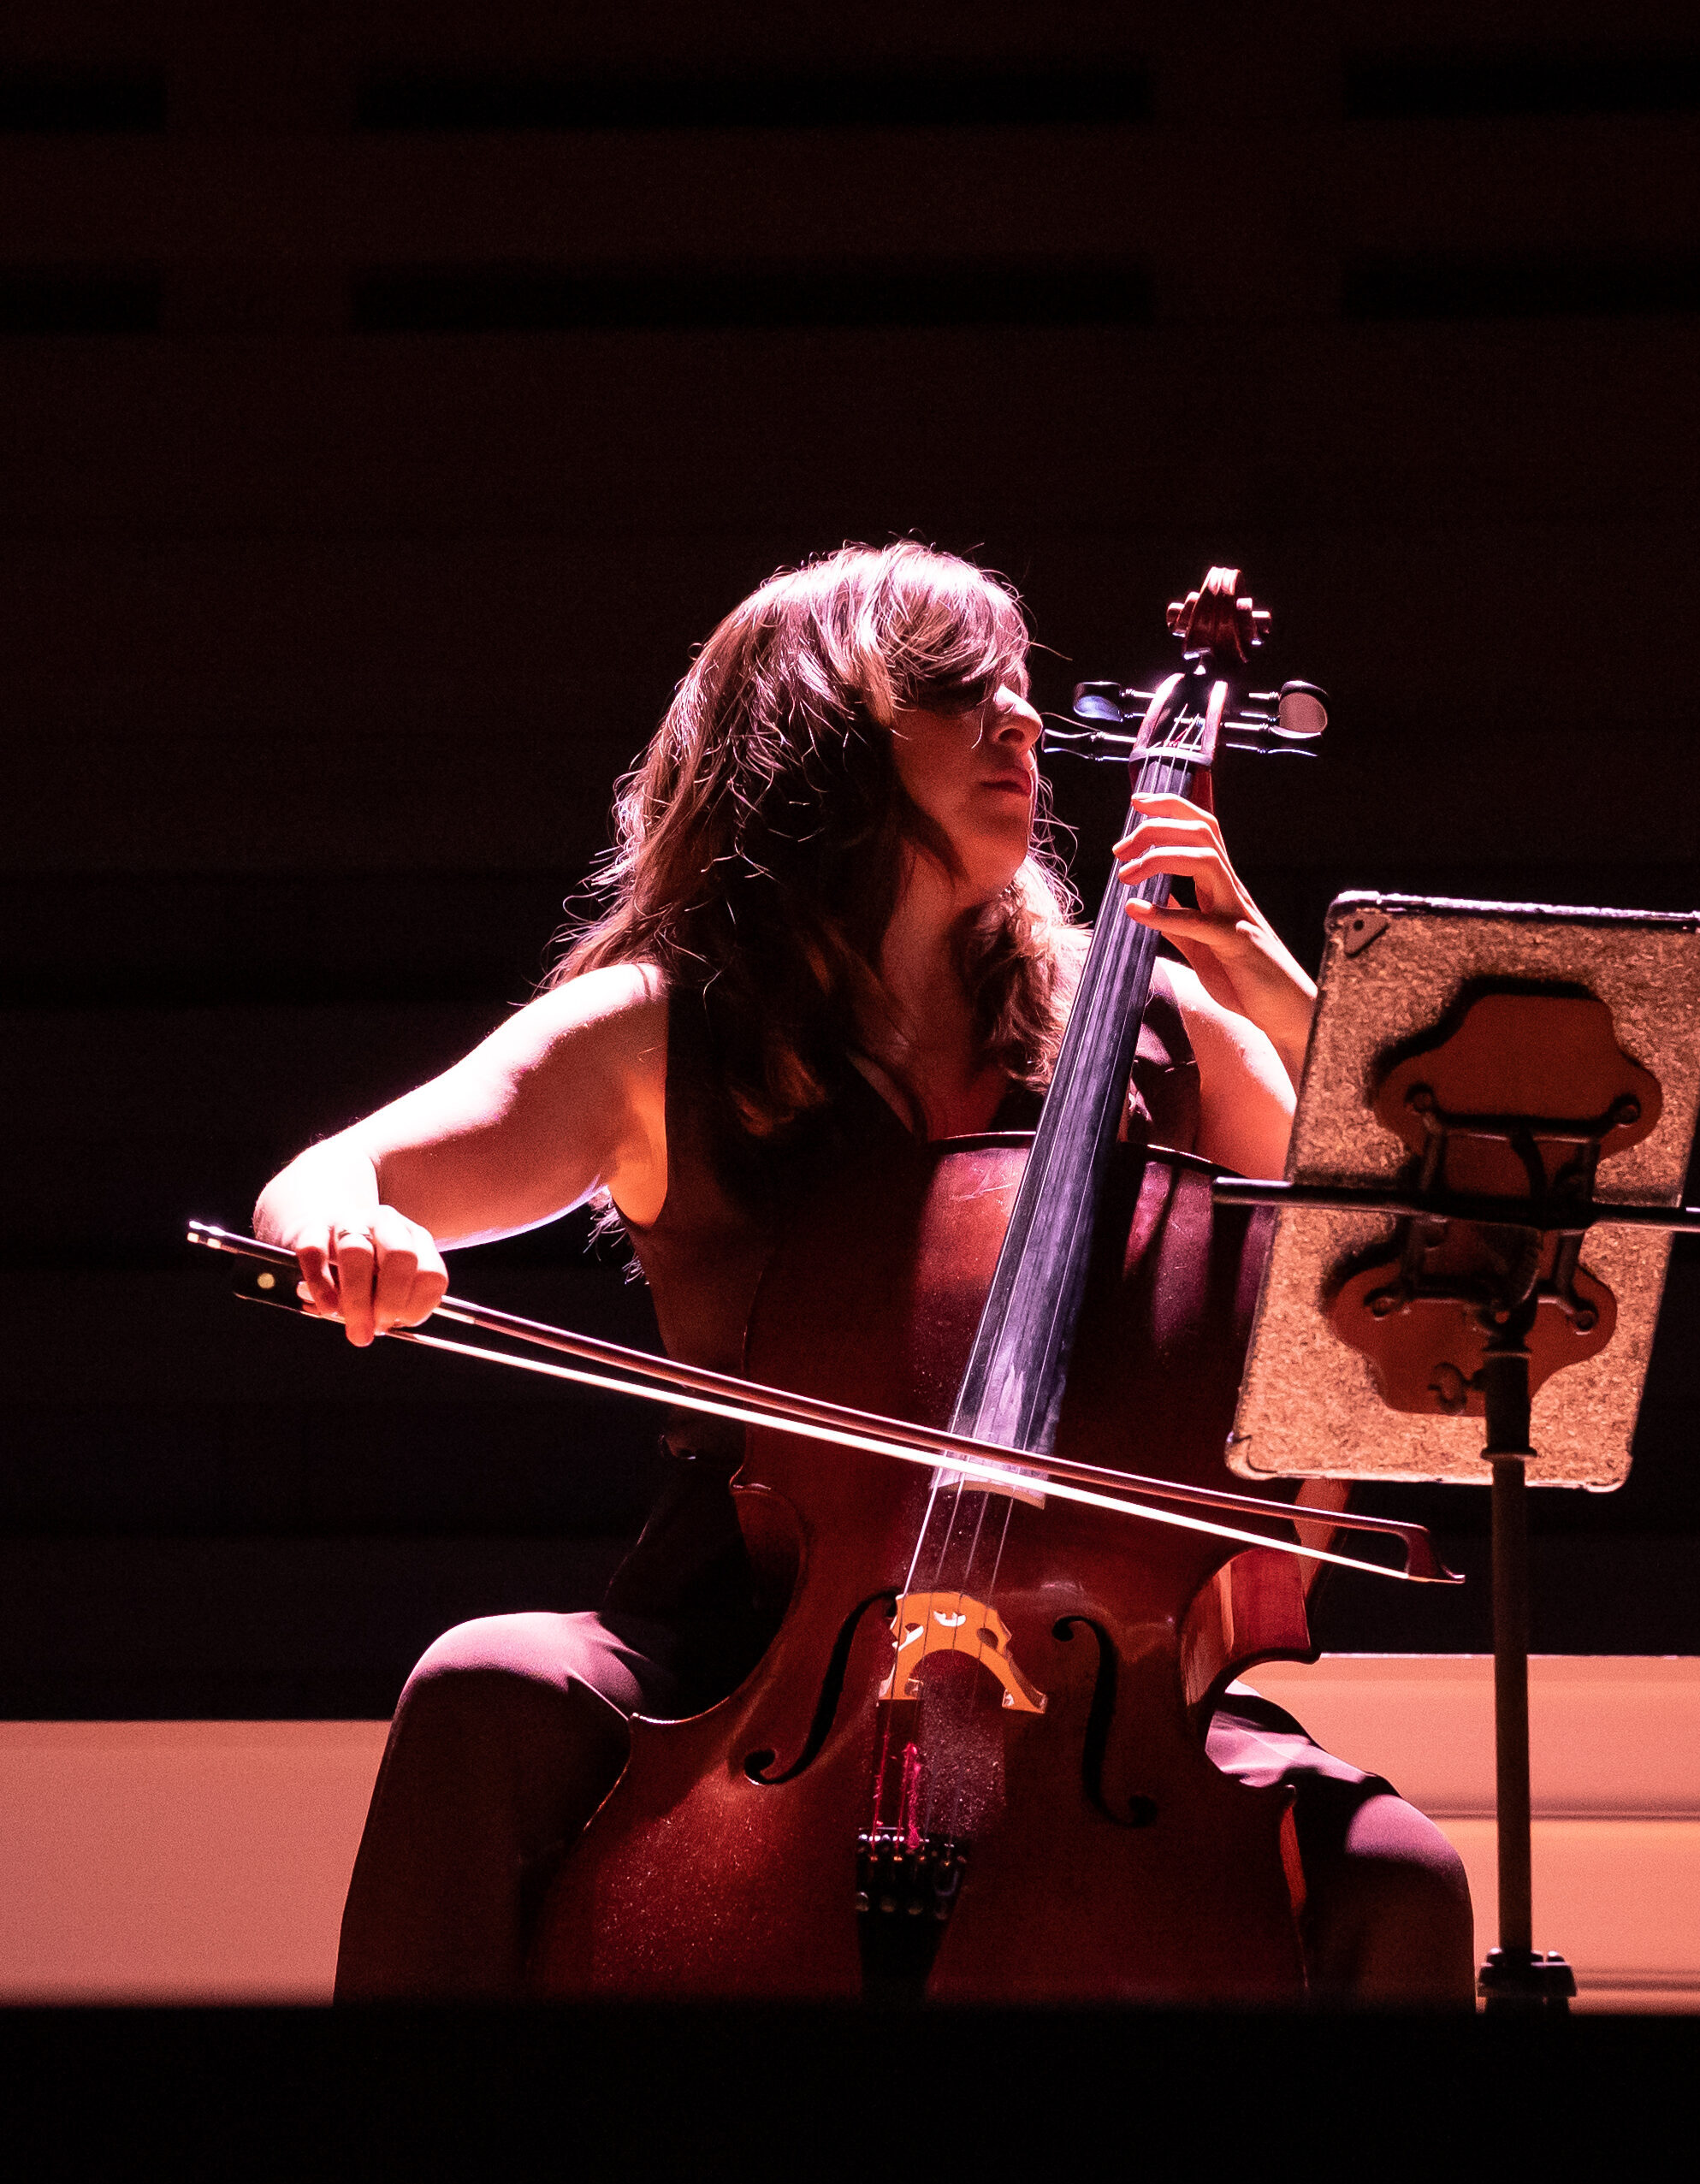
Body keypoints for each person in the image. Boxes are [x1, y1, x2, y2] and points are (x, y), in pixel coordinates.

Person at [255, 542, 1474, 2003]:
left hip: (1106, 1662)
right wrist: (353, 1230)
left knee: (1401, 1870)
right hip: (748, 1637)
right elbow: (338, 1174)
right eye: (964, 691)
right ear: (823, 727)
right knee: (482, 1690)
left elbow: (1377, 1291)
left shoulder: (1153, 1026)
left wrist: (1261, 970)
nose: (1022, 725)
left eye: (1027, 695)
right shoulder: (665, 1032)